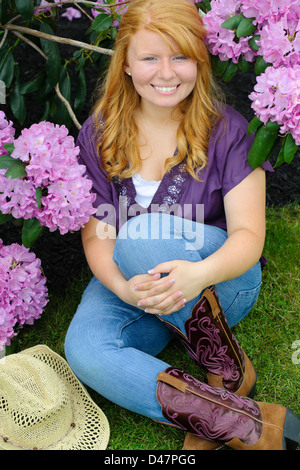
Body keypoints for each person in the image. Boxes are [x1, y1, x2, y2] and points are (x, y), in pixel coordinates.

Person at [65, 0, 300, 450]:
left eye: (181, 56)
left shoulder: (229, 130)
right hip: (142, 287)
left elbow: (248, 238)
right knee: (85, 349)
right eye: (150, 57)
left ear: (199, 60)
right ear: (127, 65)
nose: (166, 72)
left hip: (219, 280)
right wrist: (123, 290)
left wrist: (197, 274)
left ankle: (221, 358)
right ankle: (234, 419)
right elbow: (98, 233)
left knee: (138, 234)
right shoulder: (98, 132)